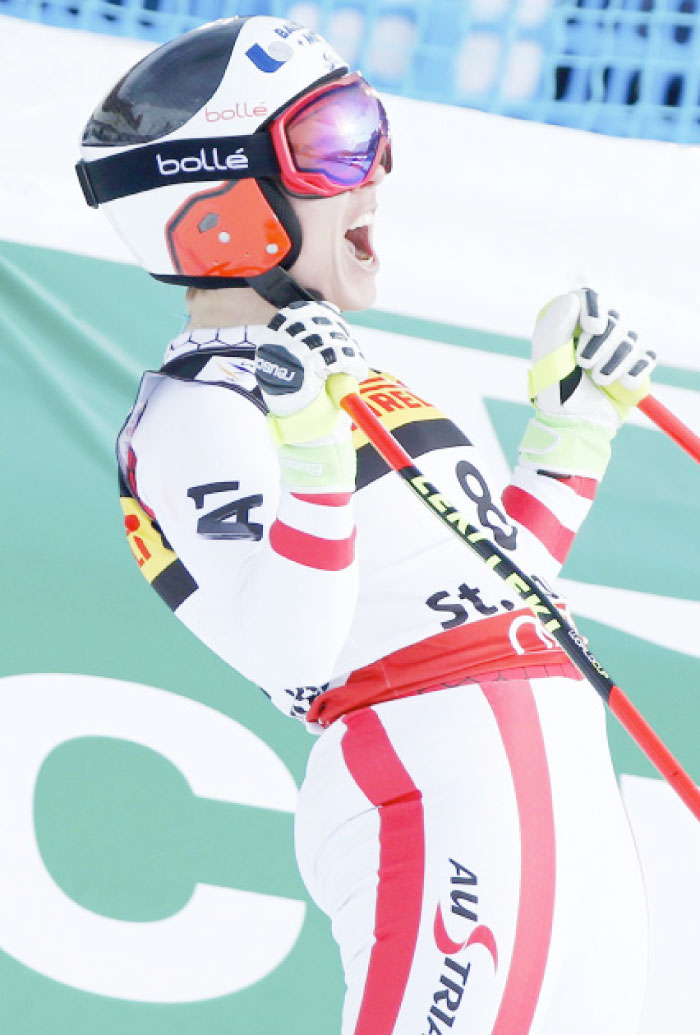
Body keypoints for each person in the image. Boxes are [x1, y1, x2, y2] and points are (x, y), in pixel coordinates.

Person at [76, 15, 656, 1034]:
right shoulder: (196, 405)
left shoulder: (346, 374)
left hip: (532, 742)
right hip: (436, 751)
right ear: (218, 202)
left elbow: (486, 583)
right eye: (333, 142)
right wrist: (308, 454)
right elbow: (292, 640)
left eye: (372, 129)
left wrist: (571, 433)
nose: (375, 168)